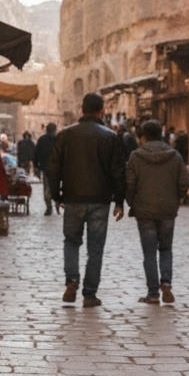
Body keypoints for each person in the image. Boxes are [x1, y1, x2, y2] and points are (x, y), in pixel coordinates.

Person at [48, 93, 125, 307]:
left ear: (81, 110)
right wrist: (119, 201)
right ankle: (89, 294)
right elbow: (118, 172)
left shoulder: (65, 135)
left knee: (71, 242)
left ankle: (72, 280)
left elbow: (53, 169)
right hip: (100, 200)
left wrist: (57, 195)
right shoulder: (110, 136)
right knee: (96, 248)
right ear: (102, 111)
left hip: (73, 198)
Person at [125, 120, 189, 305]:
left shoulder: (136, 157)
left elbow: (129, 184)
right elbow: (185, 183)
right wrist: (176, 199)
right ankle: (167, 283)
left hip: (144, 210)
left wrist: (132, 203)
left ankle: (153, 293)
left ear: (143, 137)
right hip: (168, 210)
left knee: (149, 252)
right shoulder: (175, 156)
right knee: (166, 249)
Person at [34, 122, 58, 215]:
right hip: (57, 168)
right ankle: (57, 203)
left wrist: (37, 166)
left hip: (46, 167)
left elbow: (36, 153)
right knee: (57, 186)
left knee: (46, 187)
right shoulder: (58, 139)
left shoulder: (41, 140)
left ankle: (49, 207)